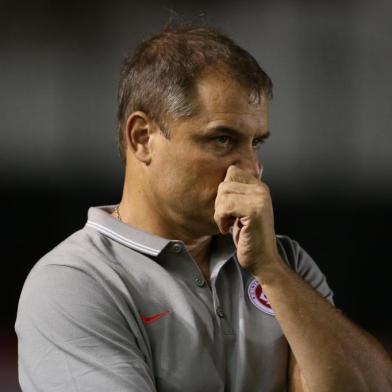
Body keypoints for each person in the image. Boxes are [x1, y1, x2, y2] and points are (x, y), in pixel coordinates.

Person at [15, 25, 392, 392]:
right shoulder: (76, 282)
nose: (250, 169)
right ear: (142, 138)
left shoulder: (284, 263)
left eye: (256, 143)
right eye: (222, 139)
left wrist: (272, 272)